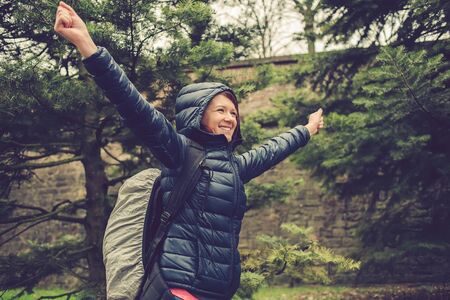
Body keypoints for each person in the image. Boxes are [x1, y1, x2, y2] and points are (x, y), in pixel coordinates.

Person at [54, 1, 324, 299]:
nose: (230, 118)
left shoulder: (233, 167)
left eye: (234, 113)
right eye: (221, 110)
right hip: (179, 288)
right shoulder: (180, 153)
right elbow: (136, 108)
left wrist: (307, 130)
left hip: (215, 291)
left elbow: (273, 149)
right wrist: (88, 46)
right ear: (198, 114)